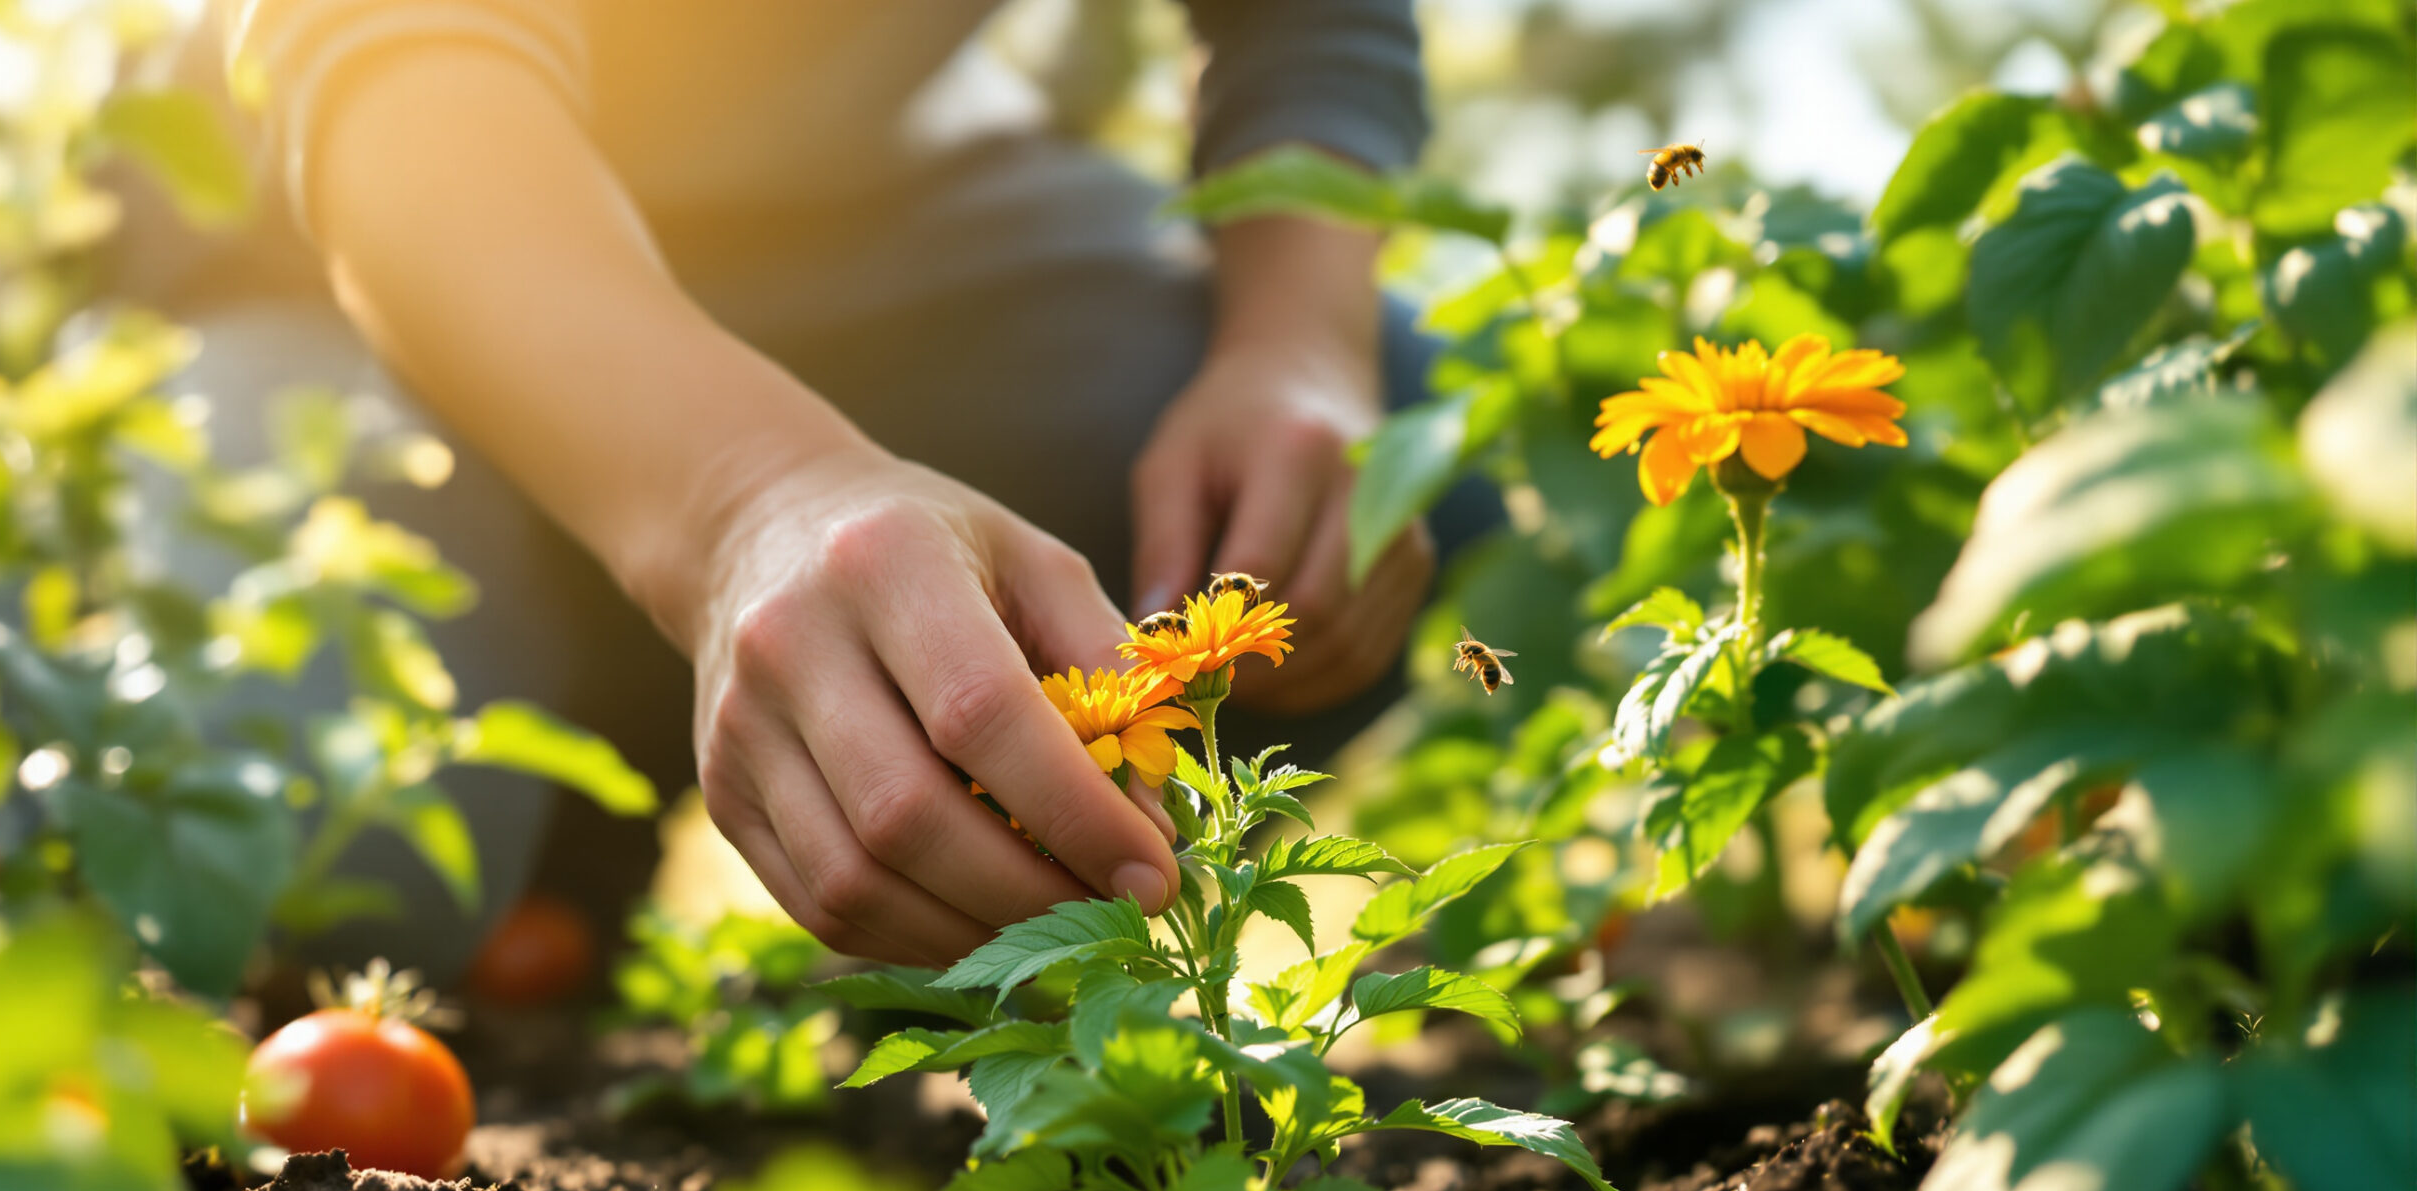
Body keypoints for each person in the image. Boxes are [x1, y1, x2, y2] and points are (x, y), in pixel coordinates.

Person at [167, 0, 1492, 972]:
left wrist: (1299, 346)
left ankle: (729, 789)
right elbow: (404, 81)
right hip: (358, 273)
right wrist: (744, 500)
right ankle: (567, 784)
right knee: (317, 881)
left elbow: (1313, 26)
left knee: (1405, 452)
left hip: (877, 244)